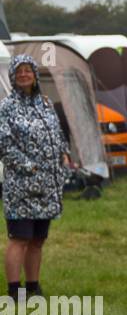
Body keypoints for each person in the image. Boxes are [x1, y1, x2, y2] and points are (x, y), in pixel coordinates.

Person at [0, 54, 73, 300]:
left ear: (34, 74)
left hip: (48, 187)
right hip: (21, 185)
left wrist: (64, 153)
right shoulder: (7, 107)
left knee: (38, 240)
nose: (23, 75)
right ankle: (14, 291)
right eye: (18, 71)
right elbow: (4, 145)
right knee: (19, 239)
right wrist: (29, 167)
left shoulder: (45, 103)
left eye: (27, 70)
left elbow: (57, 132)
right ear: (12, 76)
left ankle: (33, 287)